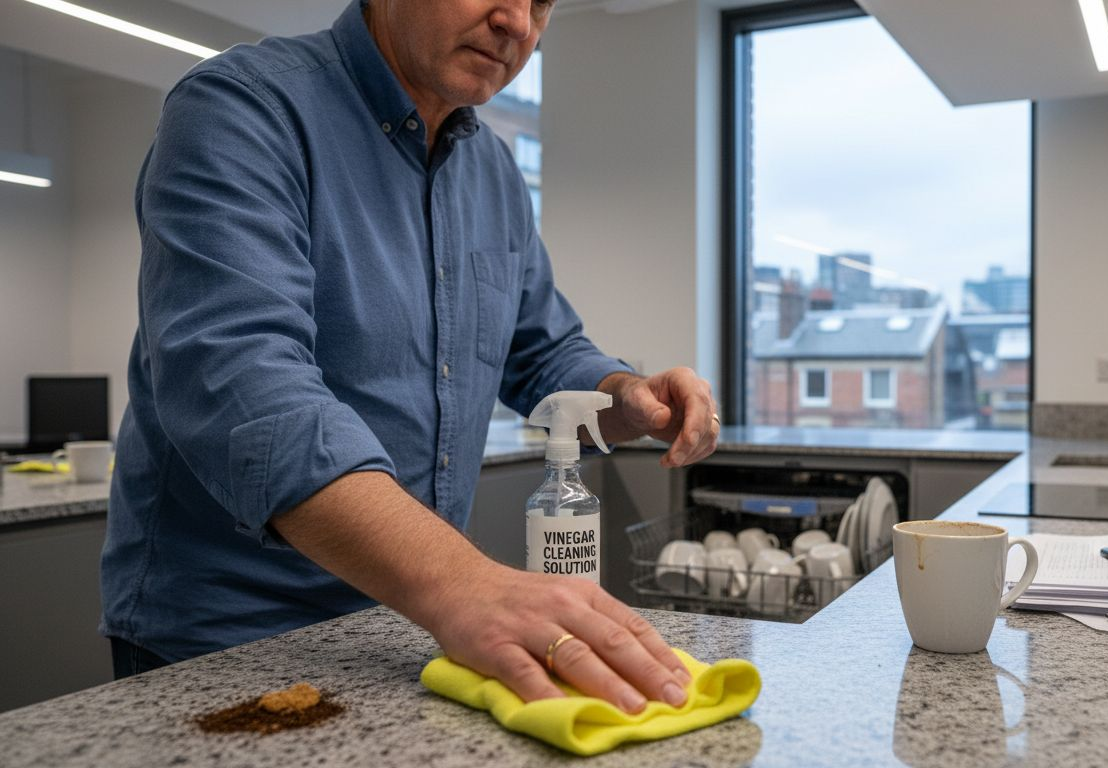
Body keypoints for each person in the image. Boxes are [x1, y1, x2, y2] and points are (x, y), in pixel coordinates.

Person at [100, 0, 719, 716]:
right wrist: (463, 582)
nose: (519, 23)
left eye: (543, 2)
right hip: (232, 634)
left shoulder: (491, 169)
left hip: (405, 629)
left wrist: (626, 395)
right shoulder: (244, 109)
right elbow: (246, 384)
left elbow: (542, 350)